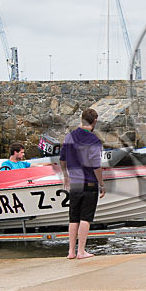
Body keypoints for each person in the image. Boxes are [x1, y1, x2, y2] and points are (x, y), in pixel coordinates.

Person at [59, 108, 105, 259]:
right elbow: (96, 165)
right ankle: (81, 251)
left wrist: (66, 177)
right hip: (89, 183)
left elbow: (62, 159)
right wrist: (102, 184)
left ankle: (71, 251)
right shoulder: (94, 140)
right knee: (85, 217)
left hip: (75, 183)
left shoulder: (69, 137)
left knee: (73, 218)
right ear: (95, 121)